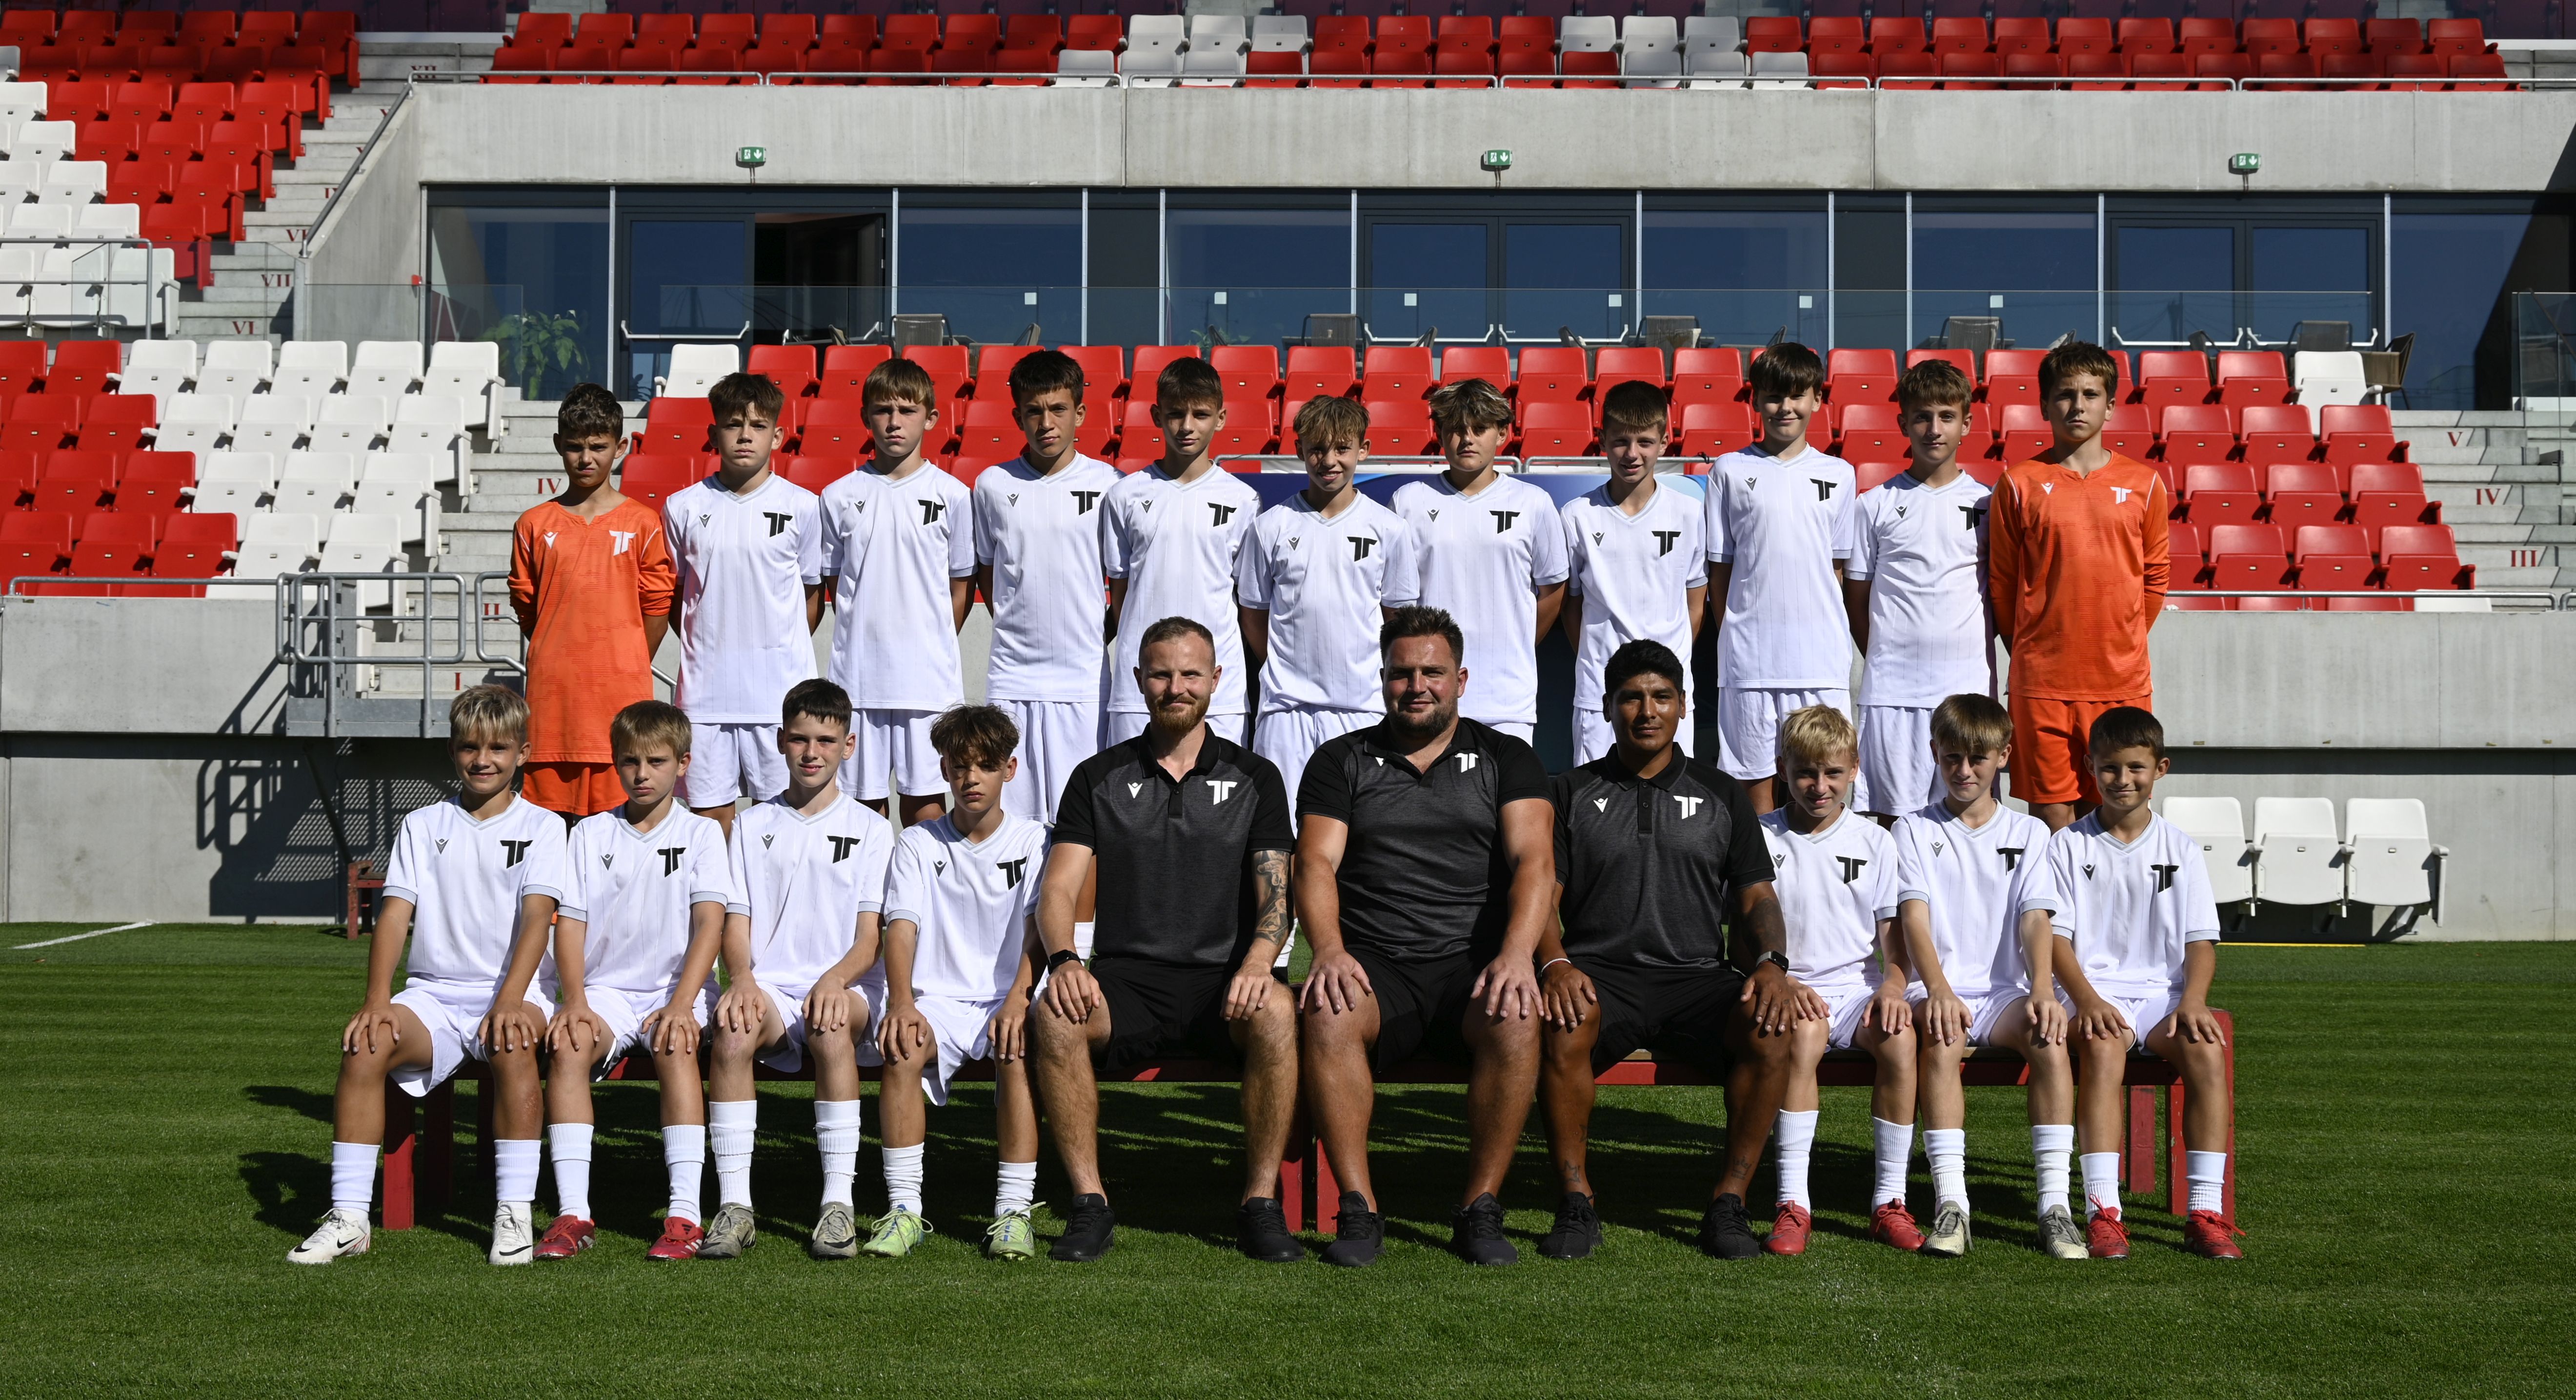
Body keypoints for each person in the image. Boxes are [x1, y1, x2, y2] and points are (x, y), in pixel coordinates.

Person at [1028, 616, 1301, 1263]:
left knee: (1278, 1012)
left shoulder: (1257, 776)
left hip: (1226, 980)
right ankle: (1090, 1203)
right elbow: (1058, 888)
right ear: (1139, 680)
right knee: (1057, 1016)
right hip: (1129, 979)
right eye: (1161, 674)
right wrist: (1064, 961)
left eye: (1190, 674)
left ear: (1216, 679)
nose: (1176, 687)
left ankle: (1260, 1203)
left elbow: (1278, 894)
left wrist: (1259, 962)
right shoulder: (1097, 775)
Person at [1297, 606, 1553, 1268]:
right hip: (1377, 966)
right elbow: (1315, 862)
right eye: (1402, 673)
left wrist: (1516, 956)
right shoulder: (1341, 760)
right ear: (1383, 678)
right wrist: (1329, 950)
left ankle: (1480, 1206)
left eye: (1432, 672)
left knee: (1519, 1013)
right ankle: (1359, 1207)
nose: (1417, 686)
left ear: (1460, 680)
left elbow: (1534, 862)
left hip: (1474, 965)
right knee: (1327, 1008)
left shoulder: (1507, 756)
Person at [1534, 640, 1797, 1262]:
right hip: (1600, 976)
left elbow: (1757, 897)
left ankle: (1729, 1201)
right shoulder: (1570, 791)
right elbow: (1542, 898)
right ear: (1607, 706)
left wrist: (1771, 965)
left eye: (1660, 697)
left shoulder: (1723, 792)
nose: (1646, 710)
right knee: (1562, 1021)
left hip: (1696, 978)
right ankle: (1576, 1200)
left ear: (1683, 705)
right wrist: (1556, 963)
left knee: (1769, 1026)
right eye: (1631, 697)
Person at [288, 686, 567, 1266]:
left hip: (515, 994)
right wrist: (377, 999)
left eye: (498, 747)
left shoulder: (545, 826)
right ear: (452, 750)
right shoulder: (422, 823)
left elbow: (538, 918)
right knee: (366, 1044)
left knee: (513, 1041)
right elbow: (395, 915)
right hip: (434, 996)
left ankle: (514, 1211)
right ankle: (349, 1216)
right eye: (469, 747)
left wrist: (510, 999)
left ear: (523, 753)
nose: (482, 759)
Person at [699, 680, 896, 1261]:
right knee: (732, 1030)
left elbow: (870, 939)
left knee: (830, 1027)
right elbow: (736, 922)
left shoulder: (872, 828)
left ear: (848, 745)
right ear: (781, 741)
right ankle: (735, 1205)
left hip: (848, 985)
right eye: (801, 739)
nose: (812, 752)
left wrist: (833, 980)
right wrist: (741, 978)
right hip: (771, 987)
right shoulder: (750, 823)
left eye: (826, 740)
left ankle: (837, 1204)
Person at [2035, 705, 2241, 1260]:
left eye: (2135, 768)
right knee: (2103, 1047)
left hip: (2160, 997)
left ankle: (2205, 1213)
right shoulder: (2068, 845)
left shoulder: (2181, 847)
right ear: (2090, 768)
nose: (2122, 779)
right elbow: (2056, 940)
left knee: (2206, 1049)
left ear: (2160, 769)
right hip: (2091, 992)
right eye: (2109, 768)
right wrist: (2087, 999)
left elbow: (2201, 941)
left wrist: (2193, 1000)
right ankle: (2104, 1212)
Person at [534, 700, 735, 1261]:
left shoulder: (702, 833)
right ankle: (574, 1213)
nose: (642, 773)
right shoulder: (589, 832)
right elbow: (570, 925)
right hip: (606, 993)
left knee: (675, 1042)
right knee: (569, 1042)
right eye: (630, 761)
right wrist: (574, 1000)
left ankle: (684, 1215)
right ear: (615, 762)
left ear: (683, 764)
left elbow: (710, 925)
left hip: (678, 989)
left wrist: (682, 1003)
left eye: (656, 760)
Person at [1892, 693, 2079, 1260]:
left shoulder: (2031, 832)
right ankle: (1952, 1204)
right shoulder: (1912, 828)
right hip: (1936, 988)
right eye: (1952, 757)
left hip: (2004, 994)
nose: (1964, 770)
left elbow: (2036, 918)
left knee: (2049, 1035)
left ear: (2003, 756)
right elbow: (1914, 919)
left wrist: (2043, 988)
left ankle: (2055, 1207)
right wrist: (1939, 989)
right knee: (1943, 1033)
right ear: (1935, 753)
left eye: (1978, 758)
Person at [864, 704, 1049, 1260]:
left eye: (986, 765)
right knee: (902, 1045)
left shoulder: (1037, 840)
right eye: (960, 765)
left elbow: (1039, 932)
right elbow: (901, 928)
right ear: (944, 769)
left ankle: (1013, 1213)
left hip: (1007, 996)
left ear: (1009, 769)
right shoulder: (918, 842)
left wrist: (1017, 999)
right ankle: (904, 1210)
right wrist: (901, 1002)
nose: (972, 778)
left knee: (1015, 1049)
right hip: (938, 1000)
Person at [1988, 342, 2171, 832]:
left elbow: (2155, 578)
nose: (2078, 405)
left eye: (2091, 394)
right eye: (2065, 395)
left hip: (2121, 682)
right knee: (2052, 819)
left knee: (2114, 817)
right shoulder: (2019, 483)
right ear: (2044, 404)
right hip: (2042, 684)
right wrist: (2030, 647)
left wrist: (2121, 638)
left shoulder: (2146, 484)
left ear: (2110, 405)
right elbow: (2003, 582)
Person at [1758, 704, 1918, 1256]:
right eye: (1806, 772)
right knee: (1802, 1038)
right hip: (1788, 987)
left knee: (1900, 1038)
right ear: (1782, 768)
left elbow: (1895, 947)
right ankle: (1793, 1202)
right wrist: (1778, 977)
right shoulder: (1760, 835)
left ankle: (1889, 1201)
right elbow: (1742, 935)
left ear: (1854, 769)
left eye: (1832, 772)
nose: (1819, 786)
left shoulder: (1876, 841)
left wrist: (1892, 988)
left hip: (1855, 992)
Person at [663, 371, 826, 838]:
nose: (745, 435)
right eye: (733, 424)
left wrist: (778, 649)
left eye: (757, 425)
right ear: (713, 433)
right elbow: (678, 600)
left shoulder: (804, 506)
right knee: (710, 825)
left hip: (778, 698)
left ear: (778, 435)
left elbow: (811, 599)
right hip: (705, 698)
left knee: (779, 825)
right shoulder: (682, 506)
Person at [1239, 394, 1421, 809]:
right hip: (1287, 710)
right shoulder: (1269, 527)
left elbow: (1399, 619)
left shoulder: (1389, 528)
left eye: (1342, 448)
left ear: (1363, 450)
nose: (1329, 461)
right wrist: (1285, 668)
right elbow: (1253, 614)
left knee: (1363, 830)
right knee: (1285, 828)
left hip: (1363, 708)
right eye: (1317, 449)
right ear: (1299, 449)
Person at [1702, 343, 1860, 814]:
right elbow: (1721, 572)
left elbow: (1836, 570)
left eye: (1796, 396)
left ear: (1817, 399)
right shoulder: (1729, 470)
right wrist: (1738, 637)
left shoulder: (1840, 473)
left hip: (1820, 663)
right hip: (1750, 663)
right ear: (1756, 400)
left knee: (1820, 793)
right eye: (1773, 397)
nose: (1785, 408)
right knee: (1754, 798)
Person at [819, 357, 976, 827]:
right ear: (866, 417)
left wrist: (930, 639)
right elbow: (837, 585)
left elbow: (961, 586)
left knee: (926, 805)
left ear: (930, 418)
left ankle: (921, 882)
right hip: (859, 680)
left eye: (907, 411)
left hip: (927, 683)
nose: (894, 422)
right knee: (861, 809)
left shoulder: (953, 495)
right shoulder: (838, 495)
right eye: (883, 410)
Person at [508, 383, 675, 820]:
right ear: (558, 445)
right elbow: (528, 609)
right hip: (553, 702)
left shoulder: (643, 522)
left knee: (620, 832)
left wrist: (624, 657)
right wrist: (560, 646)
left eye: (598, 447)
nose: (586, 458)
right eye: (575, 447)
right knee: (550, 832)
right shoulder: (533, 524)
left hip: (619, 699)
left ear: (620, 448)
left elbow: (657, 609)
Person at [973, 348, 1120, 826]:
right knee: (1011, 820)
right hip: (1012, 676)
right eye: (1034, 411)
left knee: (1083, 818)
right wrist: (1017, 624)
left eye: (1058, 409)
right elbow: (989, 572)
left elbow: (1122, 581)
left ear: (1081, 413)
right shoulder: (992, 485)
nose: (1047, 423)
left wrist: (1095, 633)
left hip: (1083, 679)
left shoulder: (1109, 484)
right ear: (1018, 416)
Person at [1846, 359, 1995, 822]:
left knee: (1968, 819)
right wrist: (1888, 656)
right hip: (1893, 693)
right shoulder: (1874, 505)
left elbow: (2001, 593)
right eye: (1922, 417)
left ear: (1966, 424)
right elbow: (1856, 601)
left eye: (1947, 417)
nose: (1934, 429)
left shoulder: (1989, 504)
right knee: (1896, 824)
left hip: (1967, 691)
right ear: (1903, 424)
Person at [1389, 378, 1569, 744]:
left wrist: (1516, 643)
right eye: (1456, 429)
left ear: (1502, 433)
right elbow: (1395, 601)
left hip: (1508, 698)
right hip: (1428, 697)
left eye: (1479, 428)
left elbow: (1553, 590)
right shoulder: (1408, 501)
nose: (1467, 439)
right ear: (1440, 434)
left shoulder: (1533, 503)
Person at [1100, 357, 1259, 746]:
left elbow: (1247, 601)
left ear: (1220, 419)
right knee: (1131, 786)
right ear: (1157, 416)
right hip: (1140, 688)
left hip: (1219, 691)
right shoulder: (1124, 495)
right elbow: (1121, 594)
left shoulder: (1243, 500)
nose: (1187, 426)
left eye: (1200, 414)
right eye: (1175, 414)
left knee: (1220, 787)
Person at [1560, 380, 1706, 767]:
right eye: (1621, 441)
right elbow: (1571, 608)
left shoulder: (1690, 513)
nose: (1632, 454)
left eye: (1645, 442)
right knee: (1596, 796)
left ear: (1665, 442)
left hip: (1670, 690)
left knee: (1672, 794)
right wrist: (1601, 662)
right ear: (1602, 441)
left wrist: (1665, 665)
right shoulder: (1577, 515)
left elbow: (1695, 607)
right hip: (1600, 692)